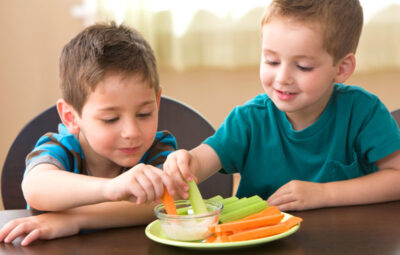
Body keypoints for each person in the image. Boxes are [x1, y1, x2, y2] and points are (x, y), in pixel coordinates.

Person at [164, 0, 400, 212]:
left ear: (342, 68)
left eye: (304, 66)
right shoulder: (248, 120)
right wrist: (186, 162)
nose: (282, 77)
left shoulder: (363, 112)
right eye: (272, 61)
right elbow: (202, 160)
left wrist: (324, 194)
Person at [0, 22, 178, 246]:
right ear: (71, 117)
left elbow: (166, 203)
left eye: (144, 114)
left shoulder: (158, 148)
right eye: (110, 119)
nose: (132, 132)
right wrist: (111, 188)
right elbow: (35, 188)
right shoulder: (61, 147)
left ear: (157, 102)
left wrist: (75, 220)